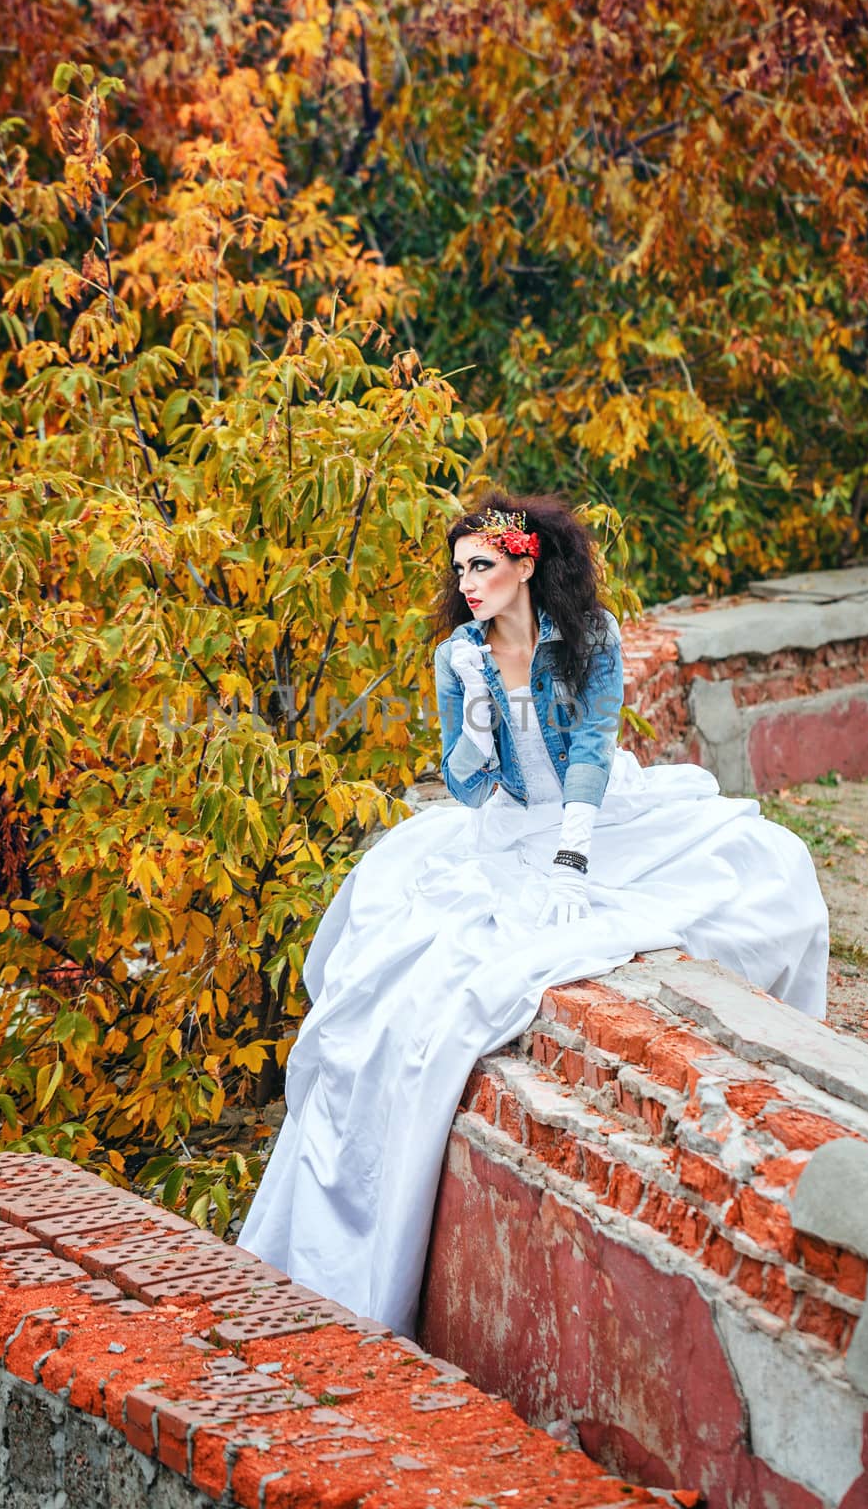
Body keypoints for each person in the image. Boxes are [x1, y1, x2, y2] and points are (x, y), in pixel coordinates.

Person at [238, 492, 828, 1336]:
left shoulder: (591, 636)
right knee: (411, 956)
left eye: (481, 565)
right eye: (458, 570)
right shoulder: (458, 657)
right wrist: (475, 731)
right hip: (507, 831)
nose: (467, 582)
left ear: (525, 565)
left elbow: (590, 747)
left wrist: (574, 854)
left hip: (598, 816)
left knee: (765, 868)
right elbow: (471, 789)